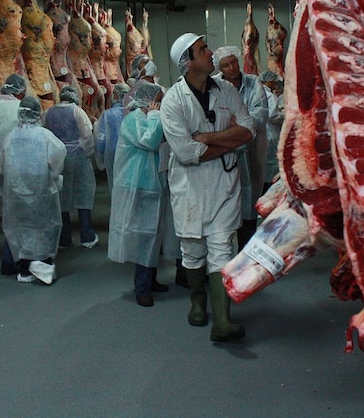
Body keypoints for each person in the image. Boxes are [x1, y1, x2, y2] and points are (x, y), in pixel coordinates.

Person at [160, 32, 254, 342]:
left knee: (222, 249)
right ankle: (198, 303)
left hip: (225, 183)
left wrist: (210, 138)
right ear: (187, 62)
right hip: (189, 187)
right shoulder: (173, 100)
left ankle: (223, 321)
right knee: (193, 252)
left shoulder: (225, 90)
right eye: (203, 50)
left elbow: (248, 129)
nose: (210, 53)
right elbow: (186, 152)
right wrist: (229, 141)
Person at [108, 81, 173, 307]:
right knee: (144, 236)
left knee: (153, 234)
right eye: (158, 101)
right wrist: (156, 116)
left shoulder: (147, 119)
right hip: (137, 185)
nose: (161, 105)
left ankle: (150, 280)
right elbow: (150, 141)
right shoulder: (133, 119)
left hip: (150, 183)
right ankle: (142, 287)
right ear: (149, 101)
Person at [0, 96, 66, 284]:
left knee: (21, 228)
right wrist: (53, 176)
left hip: (15, 192)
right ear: (37, 113)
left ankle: (24, 269)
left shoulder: (10, 137)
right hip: (40, 191)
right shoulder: (44, 136)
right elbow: (58, 156)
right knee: (43, 228)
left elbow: (3, 163)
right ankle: (41, 265)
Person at [212, 46, 268, 248]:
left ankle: (247, 249)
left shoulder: (253, 83)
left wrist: (237, 125)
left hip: (251, 152)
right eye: (226, 65)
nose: (231, 68)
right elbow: (214, 118)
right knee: (225, 204)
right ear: (220, 67)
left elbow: (260, 114)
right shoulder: (215, 85)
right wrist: (235, 126)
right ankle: (225, 252)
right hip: (223, 152)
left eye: (233, 62)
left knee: (249, 202)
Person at [0, 73, 28, 275]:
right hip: (15, 164)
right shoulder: (19, 108)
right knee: (19, 213)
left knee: (7, 212)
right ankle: (13, 259)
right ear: (19, 90)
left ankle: (10, 257)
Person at [44, 85, 99, 249]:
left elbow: (45, 134)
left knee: (62, 197)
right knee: (84, 194)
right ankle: (87, 236)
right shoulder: (77, 111)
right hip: (78, 156)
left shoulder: (49, 112)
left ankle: (64, 238)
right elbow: (87, 135)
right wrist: (88, 152)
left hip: (57, 158)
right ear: (75, 97)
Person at [94, 82, 131, 193]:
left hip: (112, 152)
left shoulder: (108, 114)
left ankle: (118, 207)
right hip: (130, 152)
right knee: (130, 183)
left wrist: (100, 158)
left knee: (116, 184)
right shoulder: (133, 112)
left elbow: (101, 138)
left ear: (115, 96)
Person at [260, 70, 285, 193]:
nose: (275, 84)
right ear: (269, 81)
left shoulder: (260, 92)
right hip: (271, 134)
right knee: (273, 166)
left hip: (266, 133)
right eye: (274, 82)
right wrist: (285, 115)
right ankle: (272, 191)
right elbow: (273, 114)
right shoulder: (268, 95)